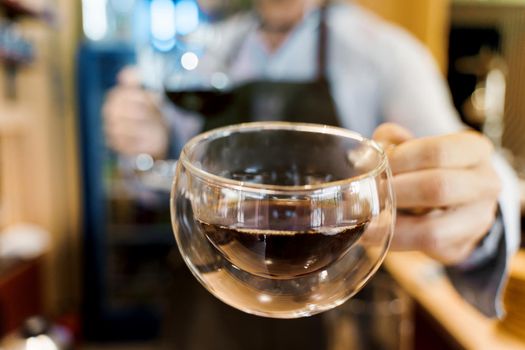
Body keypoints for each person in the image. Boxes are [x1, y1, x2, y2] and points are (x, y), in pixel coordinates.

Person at [103, 0, 520, 347]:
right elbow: (175, 183)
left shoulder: (384, 53)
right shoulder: (213, 51)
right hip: (210, 310)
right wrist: (150, 144)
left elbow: (475, 170)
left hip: (334, 319)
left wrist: (480, 214)